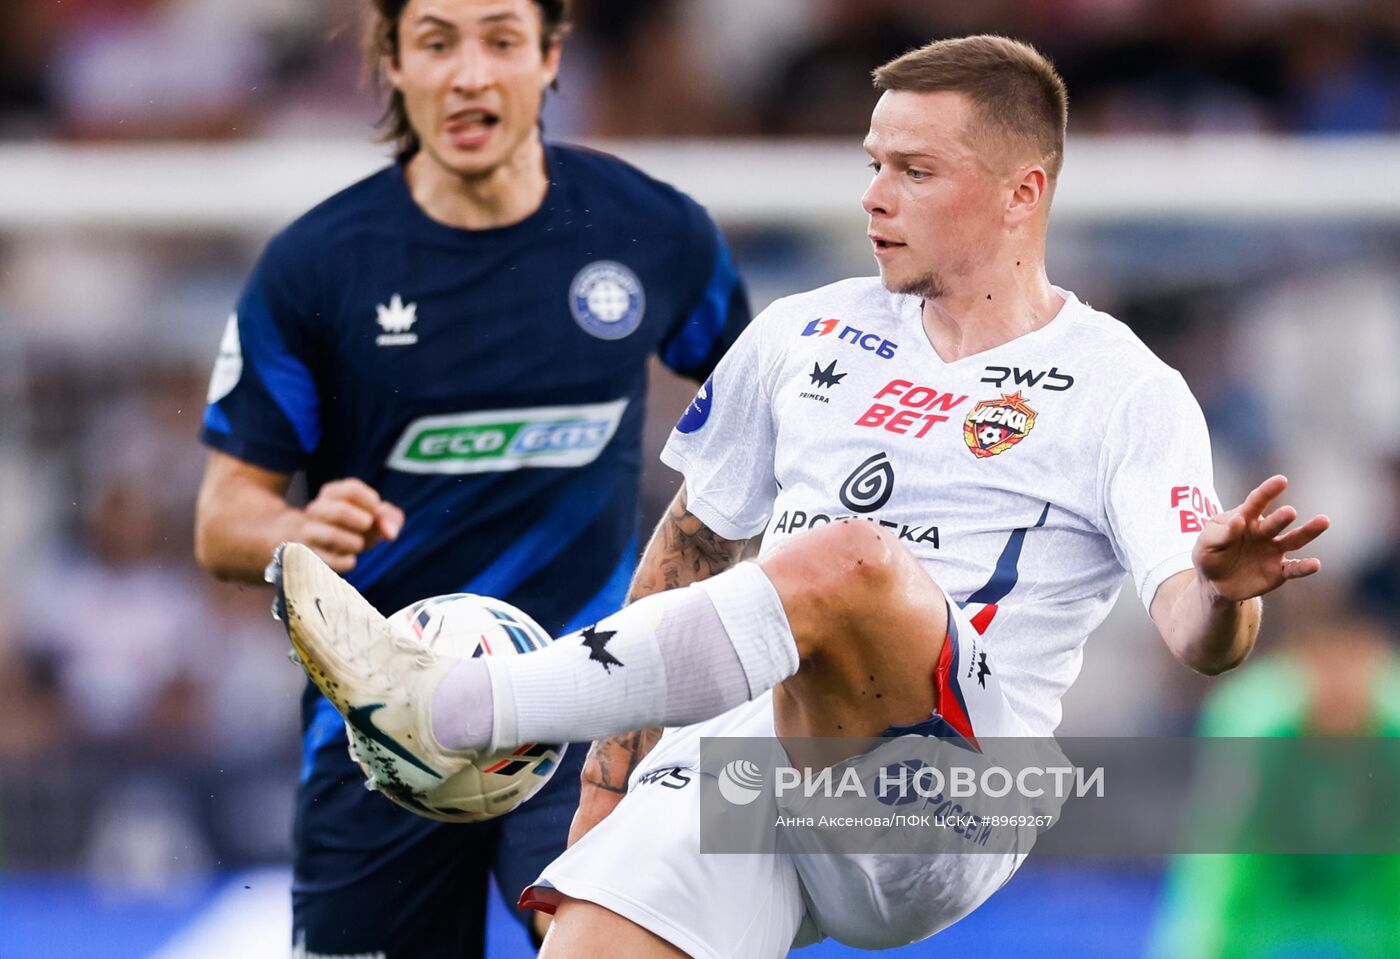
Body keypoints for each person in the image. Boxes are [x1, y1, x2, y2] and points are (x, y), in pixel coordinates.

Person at [270, 34, 1330, 958]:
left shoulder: (1124, 387)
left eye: (915, 170)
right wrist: (606, 788)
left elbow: (1197, 633)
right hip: (747, 767)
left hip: (946, 792)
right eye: (873, 164)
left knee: (848, 560)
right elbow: (691, 546)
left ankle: (447, 707)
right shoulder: (802, 331)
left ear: (1023, 192)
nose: (874, 195)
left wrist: (1224, 589)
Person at [192, 0, 752, 954]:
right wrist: (296, 530)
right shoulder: (315, 266)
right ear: (392, 61)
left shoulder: (654, 233)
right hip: (377, 726)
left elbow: (765, 419)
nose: (470, 73)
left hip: (593, 711)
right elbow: (222, 518)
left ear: (550, 55)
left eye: (500, 39)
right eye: (437, 41)